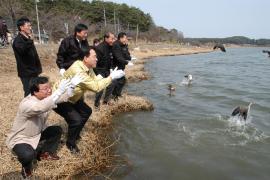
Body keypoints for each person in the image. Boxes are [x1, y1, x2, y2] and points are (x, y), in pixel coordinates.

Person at [5, 76, 81, 179]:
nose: (49, 90)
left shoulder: (44, 98)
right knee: (28, 155)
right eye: (45, 89)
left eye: (50, 87)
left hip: (37, 134)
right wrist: (58, 91)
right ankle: (26, 169)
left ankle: (45, 153)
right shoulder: (27, 104)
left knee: (56, 130)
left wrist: (71, 87)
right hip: (21, 138)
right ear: (35, 92)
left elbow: (61, 98)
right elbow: (41, 107)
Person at [53, 46, 125, 154]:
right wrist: (111, 78)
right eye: (94, 56)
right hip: (61, 99)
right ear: (86, 58)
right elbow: (96, 88)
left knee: (86, 111)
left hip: (72, 97)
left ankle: (75, 134)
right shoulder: (79, 70)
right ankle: (70, 143)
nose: (97, 59)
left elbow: (94, 80)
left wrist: (108, 75)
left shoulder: (87, 66)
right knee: (76, 120)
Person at [12, 17, 42, 97]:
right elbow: (22, 51)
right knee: (29, 93)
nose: (30, 28)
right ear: (21, 27)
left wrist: (38, 68)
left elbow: (34, 55)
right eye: (28, 26)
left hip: (33, 71)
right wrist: (30, 41)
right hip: (26, 73)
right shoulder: (18, 41)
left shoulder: (28, 39)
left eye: (30, 26)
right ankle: (26, 109)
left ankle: (35, 109)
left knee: (36, 92)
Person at [94, 32, 116, 108]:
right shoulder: (99, 48)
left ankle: (105, 101)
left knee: (112, 83)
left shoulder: (111, 47)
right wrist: (97, 74)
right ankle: (96, 105)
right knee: (100, 88)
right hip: (99, 70)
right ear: (106, 38)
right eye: (112, 39)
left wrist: (111, 69)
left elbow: (111, 58)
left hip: (108, 70)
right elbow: (95, 62)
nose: (113, 40)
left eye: (114, 38)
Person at [112, 32, 134, 99]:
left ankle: (117, 94)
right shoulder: (116, 45)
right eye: (125, 38)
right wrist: (127, 62)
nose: (126, 39)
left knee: (121, 81)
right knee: (120, 81)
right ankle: (115, 96)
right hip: (116, 66)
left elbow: (125, 54)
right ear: (121, 38)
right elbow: (118, 57)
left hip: (121, 66)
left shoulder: (122, 44)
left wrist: (130, 58)